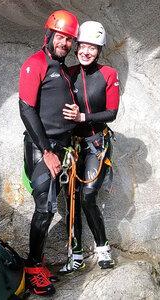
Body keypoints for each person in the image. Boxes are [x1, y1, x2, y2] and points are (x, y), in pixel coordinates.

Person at [18, 10, 79, 296]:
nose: (64, 43)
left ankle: (38, 263)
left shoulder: (62, 69)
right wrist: (46, 151)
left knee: (49, 208)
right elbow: (26, 108)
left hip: (60, 146)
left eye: (69, 40)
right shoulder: (36, 63)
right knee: (44, 209)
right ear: (49, 35)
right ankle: (32, 270)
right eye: (61, 37)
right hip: (42, 148)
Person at [60, 21, 120, 274]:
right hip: (72, 145)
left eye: (92, 48)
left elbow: (112, 112)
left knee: (87, 197)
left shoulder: (109, 74)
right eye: (82, 46)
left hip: (96, 143)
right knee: (71, 199)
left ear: (99, 50)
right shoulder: (67, 73)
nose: (86, 51)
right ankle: (75, 255)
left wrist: (82, 117)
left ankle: (102, 248)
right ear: (76, 47)